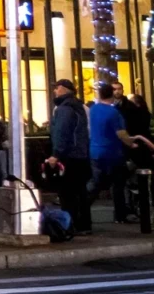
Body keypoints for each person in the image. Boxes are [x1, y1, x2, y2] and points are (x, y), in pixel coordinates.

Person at [88, 82, 154, 224]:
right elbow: (122, 134)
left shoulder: (94, 109)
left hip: (95, 151)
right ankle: (121, 215)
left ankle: (82, 208)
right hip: (112, 153)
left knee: (96, 183)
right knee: (118, 184)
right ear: (112, 94)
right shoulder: (113, 113)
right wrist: (132, 144)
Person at [46, 79, 92, 234]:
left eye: (57, 88)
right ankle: (84, 224)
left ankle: (71, 225)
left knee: (68, 193)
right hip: (80, 155)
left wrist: (56, 155)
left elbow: (61, 132)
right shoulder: (78, 107)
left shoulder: (64, 109)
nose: (55, 91)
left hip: (69, 156)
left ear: (64, 89)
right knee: (80, 192)